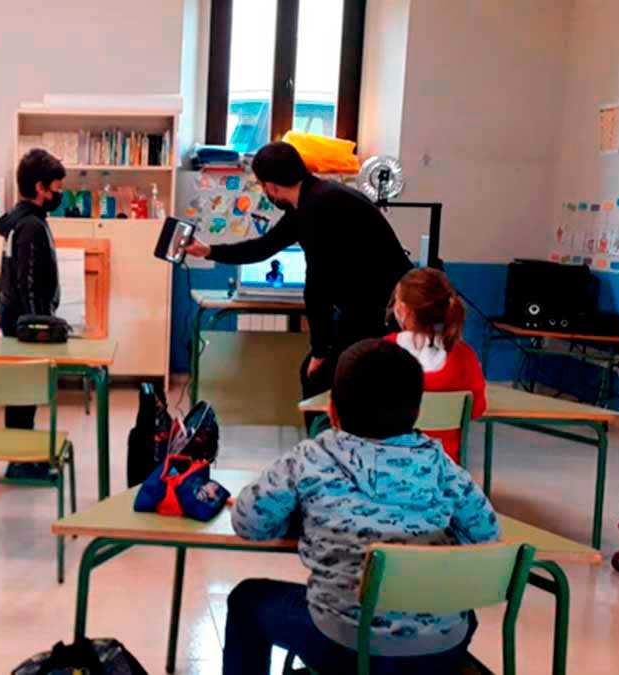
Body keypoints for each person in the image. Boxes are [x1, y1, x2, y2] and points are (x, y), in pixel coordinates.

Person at [225, 339, 500, 675]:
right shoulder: (440, 464)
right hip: (437, 647)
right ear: (417, 411)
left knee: (247, 600)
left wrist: (298, 522)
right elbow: (486, 534)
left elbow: (248, 523)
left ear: (332, 411)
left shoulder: (311, 457)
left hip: (343, 643)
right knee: (463, 617)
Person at [186, 142, 413, 404]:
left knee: (318, 378)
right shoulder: (310, 199)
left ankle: (330, 431)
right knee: (325, 378)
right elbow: (264, 247)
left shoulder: (317, 205)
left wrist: (320, 351)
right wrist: (208, 251)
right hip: (372, 305)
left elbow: (317, 286)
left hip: (383, 309)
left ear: (271, 186)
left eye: (261, 185)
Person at [0, 148, 66, 479]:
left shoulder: (20, 220)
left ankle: (21, 457)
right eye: (56, 188)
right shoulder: (31, 226)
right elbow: (28, 282)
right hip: (27, 324)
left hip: (17, 319)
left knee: (22, 394)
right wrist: (40, 325)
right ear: (40, 187)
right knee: (24, 395)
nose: (59, 195)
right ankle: (20, 462)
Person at [386, 268, 487, 464]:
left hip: (388, 466)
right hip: (442, 467)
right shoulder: (465, 356)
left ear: (403, 310)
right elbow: (476, 410)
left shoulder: (382, 351)